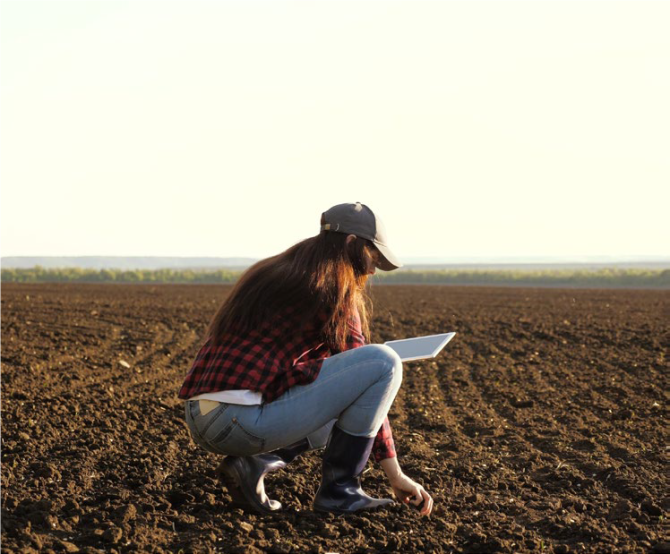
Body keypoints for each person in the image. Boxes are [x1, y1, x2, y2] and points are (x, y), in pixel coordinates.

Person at [179, 202, 433, 517]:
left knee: (349, 398)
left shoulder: (278, 269)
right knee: (385, 361)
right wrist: (395, 475)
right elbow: (369, 372)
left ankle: (253, 464)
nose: (372, 269)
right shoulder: (333, 286)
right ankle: (340, 493)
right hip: (237, 422)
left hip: (202, 417)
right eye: (373, 256)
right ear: (352, 244)